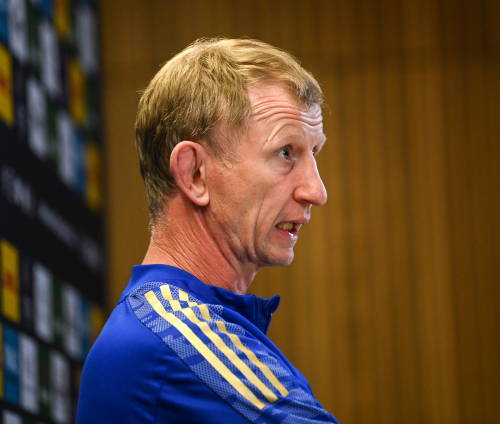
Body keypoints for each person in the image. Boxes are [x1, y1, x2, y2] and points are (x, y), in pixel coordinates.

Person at [76, 38, 338, 423]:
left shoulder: (170, 327)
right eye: (286, 153)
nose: (316, 191)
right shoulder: (172, 338)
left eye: (313, 154)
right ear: (194, 173)